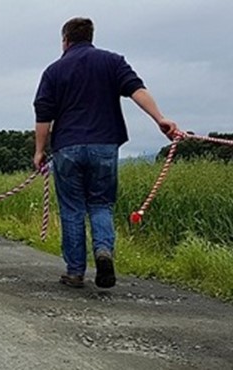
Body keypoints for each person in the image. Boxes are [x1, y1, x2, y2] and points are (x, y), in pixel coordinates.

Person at [33, 17, 179, 288]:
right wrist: (160, 119)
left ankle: (75, 272)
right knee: (101, 204)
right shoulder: (113, 62)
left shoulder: (53, 71)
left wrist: (39, 151)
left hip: (67, 147)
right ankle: (103, 252)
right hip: (104, 144)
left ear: (65, 40)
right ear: (91, 36)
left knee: (72, 209)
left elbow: (43, 115)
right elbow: (137, 90)